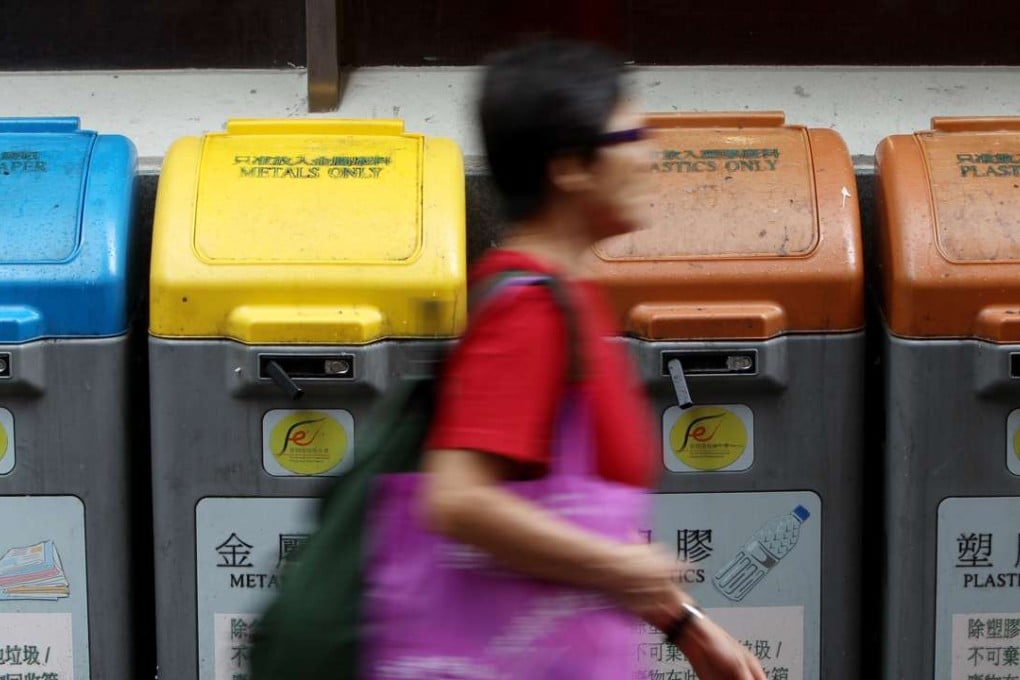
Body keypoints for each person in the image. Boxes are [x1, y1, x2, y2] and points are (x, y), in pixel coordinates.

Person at [419, 40, 766, 679]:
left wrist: (686, 625)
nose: (648, 153)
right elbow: (458, 500)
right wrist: (621, 567)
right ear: (570, 167)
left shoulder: (568, 301)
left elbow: (566, 505)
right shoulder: (531, 309)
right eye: (630, 134)